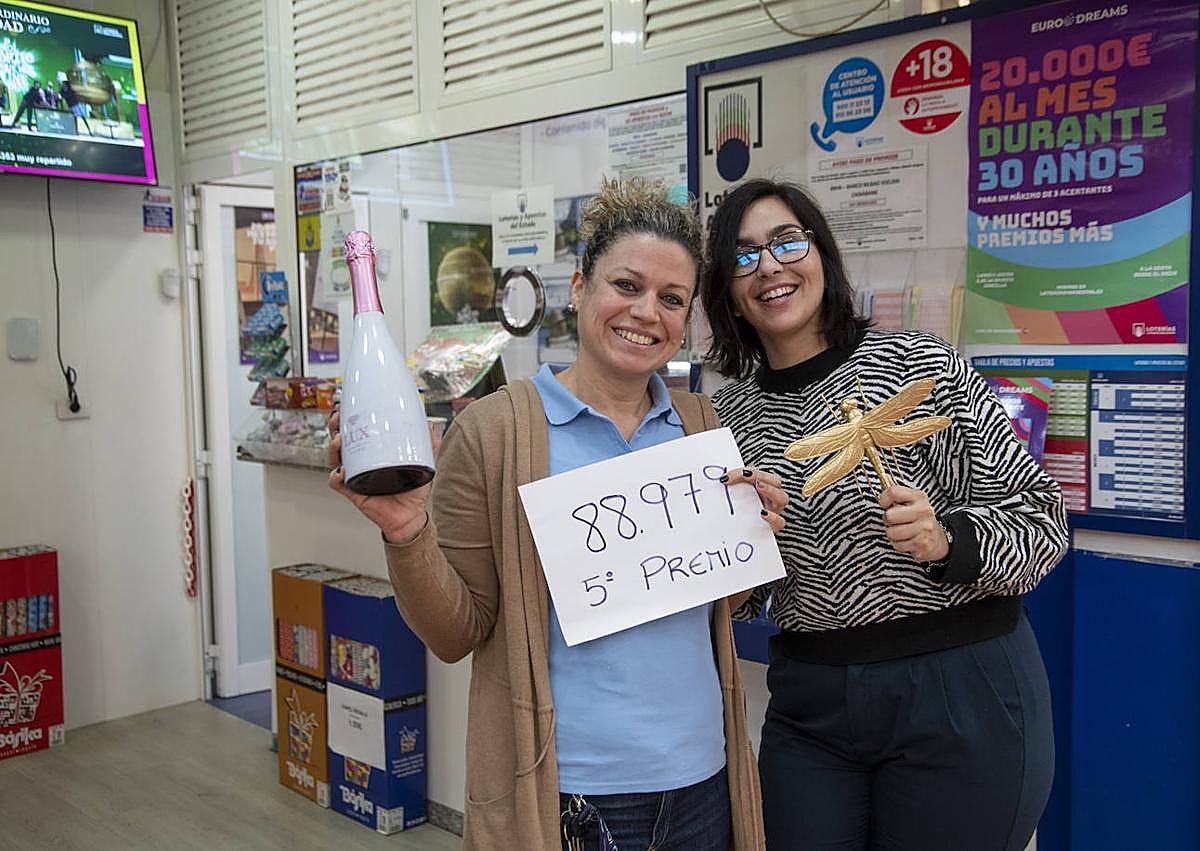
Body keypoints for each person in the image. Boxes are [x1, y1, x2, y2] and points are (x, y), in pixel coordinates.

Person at [327, 176, 788, 850]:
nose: (645, 312)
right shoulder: (496, 430)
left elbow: (708, 602)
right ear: (578, 287)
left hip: (704, 780)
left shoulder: (699, 425)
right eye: (625, 285)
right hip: (570, 793)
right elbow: (457, 631)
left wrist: (749, 537)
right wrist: (407, 532)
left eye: (671, 298)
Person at [699, 177, 1068, 851]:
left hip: (961, 687)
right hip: (812, 703)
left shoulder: (919, 364)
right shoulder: (728, 419)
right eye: (744, 255)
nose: (770, 267)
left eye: (786, 241)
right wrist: (746, 558)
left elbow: (1042, 521)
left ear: (822, 254)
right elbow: (743, 600)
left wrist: (949, 538)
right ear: (726, 288)